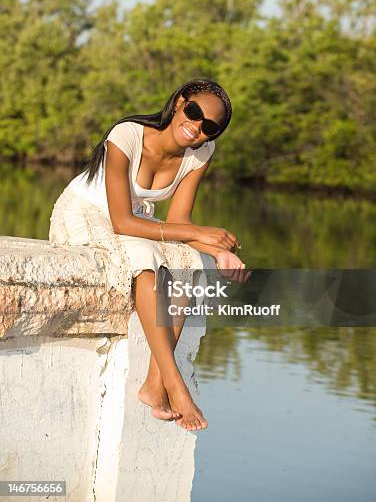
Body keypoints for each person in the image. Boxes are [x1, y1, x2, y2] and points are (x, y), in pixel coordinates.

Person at [48, 78, 249, 431]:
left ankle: (155, 386)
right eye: (195, 112)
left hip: (137, 219)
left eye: (210, 126)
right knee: (145, 258)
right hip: (85, 212)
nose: (198, 126)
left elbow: (178, 222)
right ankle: (176, 386)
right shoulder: (126, 134)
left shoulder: (201, 153)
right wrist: (201, 234)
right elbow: (123, 222)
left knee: (190, 264)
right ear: (179, 103)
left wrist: (217, 251)